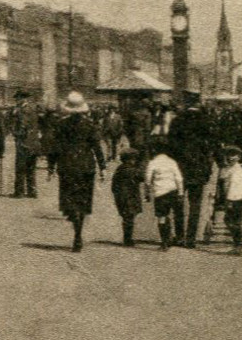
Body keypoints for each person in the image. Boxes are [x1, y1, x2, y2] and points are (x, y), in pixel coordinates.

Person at [53, 91, 107, 252]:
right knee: (83, 200)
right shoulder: (90, 125)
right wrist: (102, 166)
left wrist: (51, 165)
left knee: (69, 198)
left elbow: (56, 147)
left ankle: (74, 219)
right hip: (86, 166)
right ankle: (78, 234)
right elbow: (96, 147)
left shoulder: (61, 124)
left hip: (67, 165)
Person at [165, 94, 214, 248]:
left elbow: (170, 146)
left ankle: (179, 236)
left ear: (186, 103)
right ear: (199, 103)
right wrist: (208, 168)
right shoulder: (206, 121)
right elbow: (211, 148)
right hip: (199, 168)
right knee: (195, 204)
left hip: (180, 168)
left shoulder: (177, 121)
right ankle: (191, 239)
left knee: (178, 202)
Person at [143, 139, 185, 250]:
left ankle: (165, 243)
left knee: (162, 217)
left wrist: (147, 194)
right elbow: (179, 178)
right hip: (173, 191)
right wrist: (180, 193)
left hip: (160, 193)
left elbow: (147, 180)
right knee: (175, 214)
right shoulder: (172, 162)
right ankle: (177, 237)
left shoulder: (152, 163)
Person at [217, 145, 242, 255]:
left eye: (234, 156)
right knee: (233, 220)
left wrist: (229, 201)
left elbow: (233, 187)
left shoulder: (237, 170)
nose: (231, 158)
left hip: (236, 198)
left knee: (231, 221)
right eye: (229, 156)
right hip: (237, 198)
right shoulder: (230, 168)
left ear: (239, 157)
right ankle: (239, 242)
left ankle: (240, 242)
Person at [111, 147, 145, 246]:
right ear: (130, 159)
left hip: (121, 197)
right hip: (130, 197)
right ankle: (128, 239)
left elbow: (113, 185)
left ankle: (127, 238)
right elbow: (142, 177)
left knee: (127, 218)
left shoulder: (119, 169)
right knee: (129, 218)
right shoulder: (132, 170)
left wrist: (117, 194)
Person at [10, 91, 41, 199]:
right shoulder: (32, 109)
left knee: (20, 167)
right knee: (31, 167)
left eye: (18, 99)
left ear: (23, 99)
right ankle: (32, 191)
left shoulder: (23, 111)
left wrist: (15, 133)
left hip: (24, 142)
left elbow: (23, 127)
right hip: (33, 142)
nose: (16, 101)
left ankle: (19, 192)